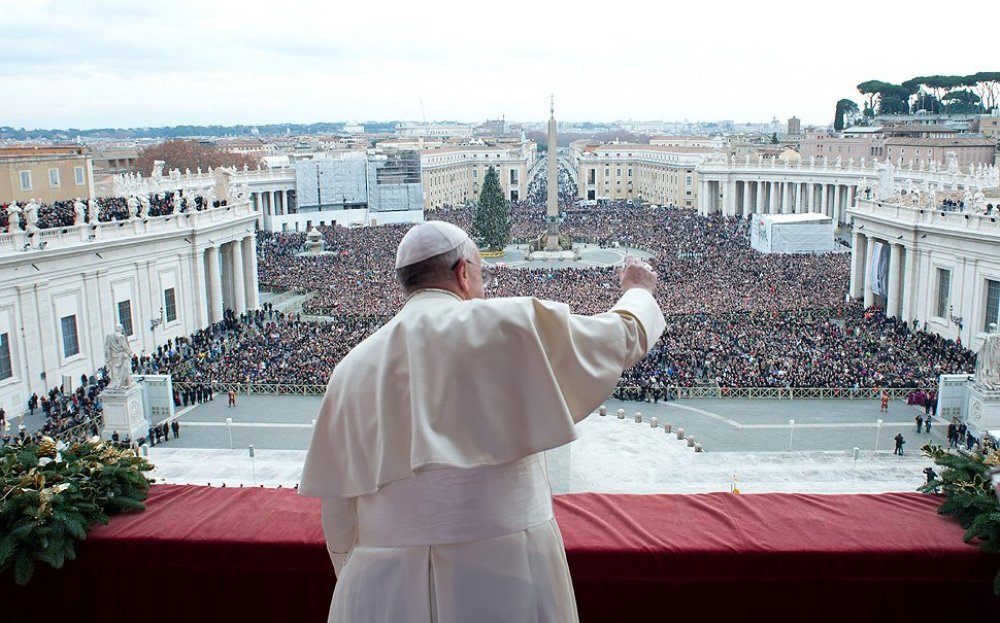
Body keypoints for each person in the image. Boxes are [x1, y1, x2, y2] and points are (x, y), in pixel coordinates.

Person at [299, 221, 665, 623]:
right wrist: (638, 290)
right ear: (462, 272)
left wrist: (358, 572)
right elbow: (621, 336)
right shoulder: (511, 324)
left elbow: (337, 505)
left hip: (381, 583)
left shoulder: (350, 369)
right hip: (508, 571)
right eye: (481, 274)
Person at [104, 325, 134, 390]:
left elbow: (107, 346)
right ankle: (122, 383)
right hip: (120, 356)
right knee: (123, 370)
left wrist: (107, 356)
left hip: (113, 356)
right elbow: (124, 346)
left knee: (115, 370)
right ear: (121, 329)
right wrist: (130, 353)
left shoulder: (109, 335)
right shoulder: (120, 336)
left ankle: (116, 382)